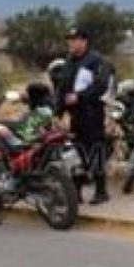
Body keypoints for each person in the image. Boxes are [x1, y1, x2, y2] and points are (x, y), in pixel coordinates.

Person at [55, 28, 113, 205]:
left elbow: (101, 85)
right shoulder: (69, 61)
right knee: (76, 154)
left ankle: (101, 191)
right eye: (69, 40)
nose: (71, 43)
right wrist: (58, 111)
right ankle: (76, 193)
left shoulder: (95, 60)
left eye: (74, 40)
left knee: (95, 151)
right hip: (75, 116)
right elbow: (63, 87)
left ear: (84, 41)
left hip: (92, 113)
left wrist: (80, 96)